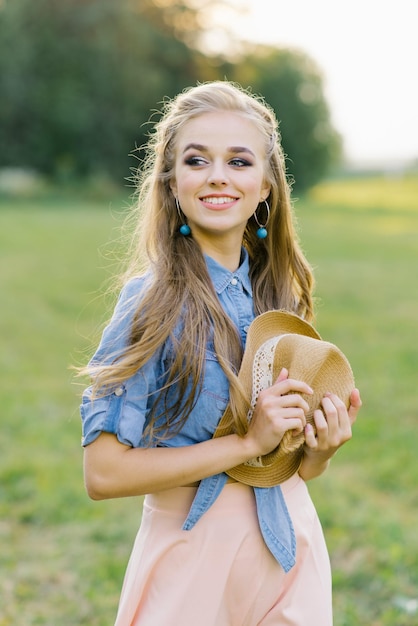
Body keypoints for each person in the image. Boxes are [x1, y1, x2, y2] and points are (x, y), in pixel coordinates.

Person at [79, 80, 362, 625]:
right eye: (196, 159)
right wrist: (246, 442)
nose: (217, 176)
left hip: (290, 553)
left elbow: (292, 468)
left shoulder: (279, 295)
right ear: (171, 183)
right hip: (195, 560)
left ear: (266, 187)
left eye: (238, 161)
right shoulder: (151, 302)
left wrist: (321, 449)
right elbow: (104, 474)